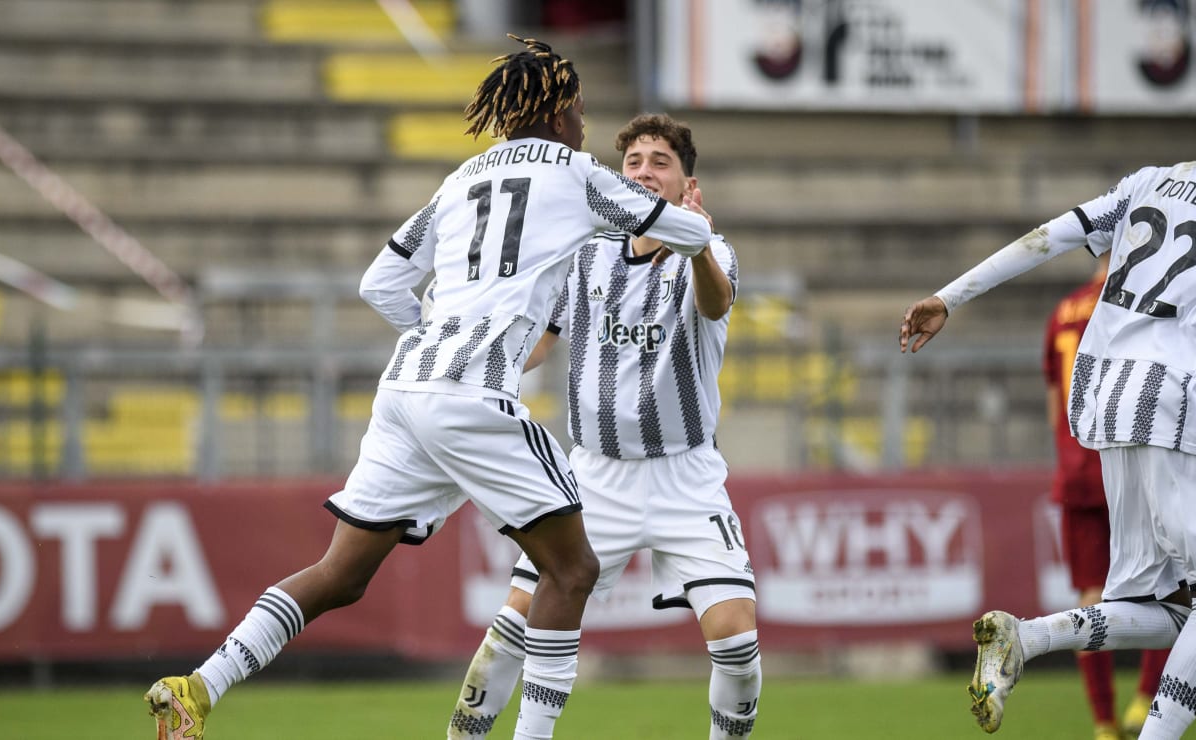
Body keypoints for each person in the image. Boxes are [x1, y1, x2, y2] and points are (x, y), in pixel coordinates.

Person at [144, 36, 716, 740]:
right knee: (573, 572)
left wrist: (434, 335)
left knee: (340, 574)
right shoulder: (577, 172)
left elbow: (379, 282)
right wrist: (697, 218)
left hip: (406, 389)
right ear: (560, 112)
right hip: (471, 397)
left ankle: (199, 686)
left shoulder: (460, 179)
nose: (586, 125)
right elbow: (677, 231)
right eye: (582, 111)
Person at [900, 72, 1196, 739]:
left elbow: (1049, 236)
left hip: (1103, 404)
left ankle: (1028, 638)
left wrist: (947, 297)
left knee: (1159, 605)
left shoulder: (1147, 182)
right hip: (1173, 400)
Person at [447, 113, 760, 740]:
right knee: (512, 628)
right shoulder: (584, 252)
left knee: (738, 641)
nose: (644, 171)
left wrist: (695, 242)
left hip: (686, 477)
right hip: (593, 476)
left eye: (660, 162)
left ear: (684, 182)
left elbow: (716, 303)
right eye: (635, 161)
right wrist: (476, 360)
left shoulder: (709, 251)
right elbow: (539, 343)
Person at [1044, 252, 1171, 740]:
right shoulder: (1138, 305)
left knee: (1090, 597)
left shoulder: (1062, 311)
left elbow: (1055, 402)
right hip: (1132, 469)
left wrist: (1069, 455)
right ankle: (1145, 702)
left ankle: (1102, 723)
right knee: (1165, 589)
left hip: (1077, 471)